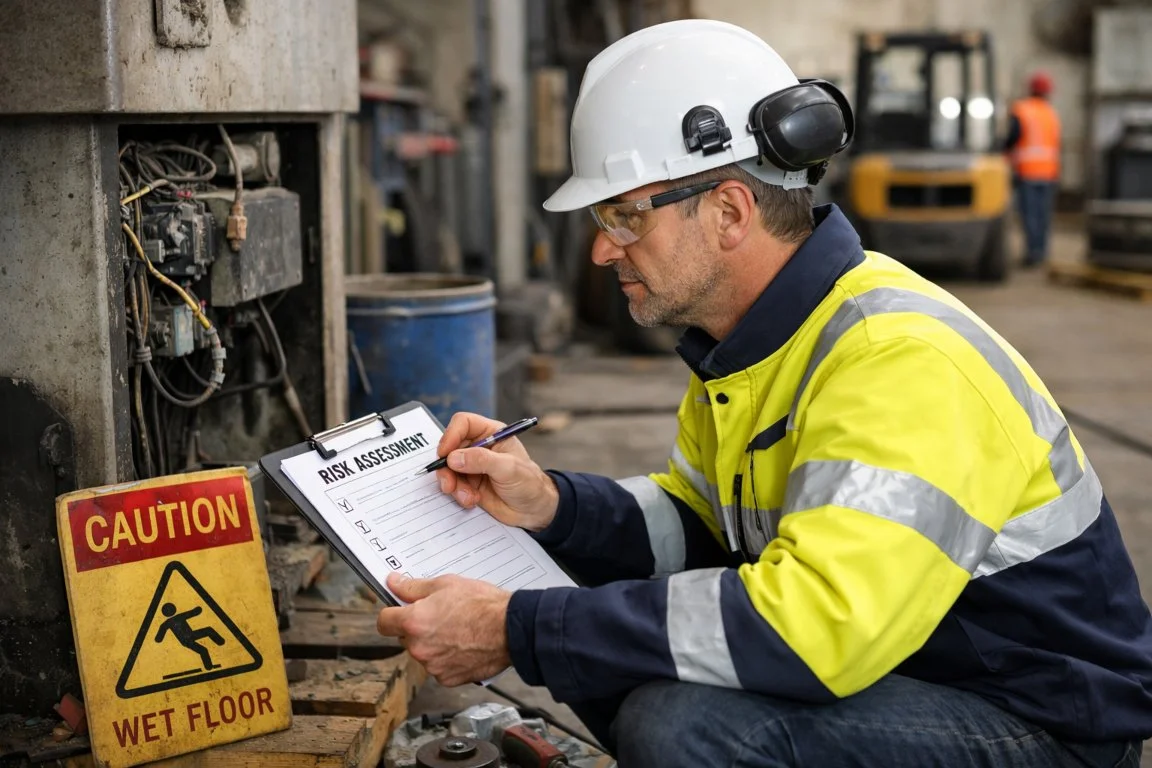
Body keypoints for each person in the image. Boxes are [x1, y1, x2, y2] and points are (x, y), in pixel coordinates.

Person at [375, 20, 1152, 767]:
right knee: (608, 639)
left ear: (729, 212)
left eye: (623, 215)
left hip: (1045, 721)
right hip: (924, 670)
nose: (604, 248)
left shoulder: (896, 361)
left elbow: (817, 628)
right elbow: (703, 529)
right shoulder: (749, 348)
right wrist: (552, 506)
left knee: (681, 723)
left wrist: (517, 629)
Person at [1007, 71, 1062, 267]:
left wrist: (1003, 152)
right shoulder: (1051, 113)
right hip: (1049, 173)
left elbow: (1013, 137)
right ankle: (1041, 252)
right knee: (1043, 216)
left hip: (1028, 172)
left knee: (1030, 216)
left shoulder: (1021, 110)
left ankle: (1033, 253)